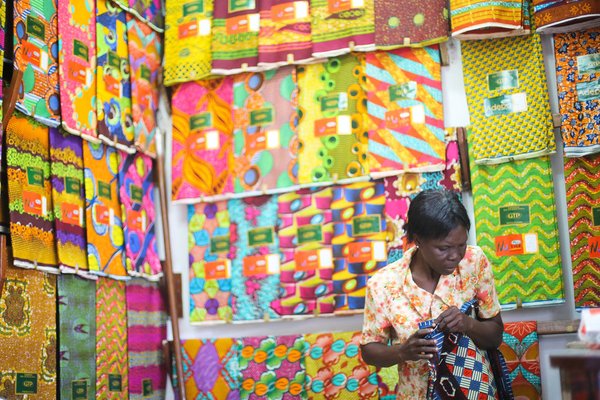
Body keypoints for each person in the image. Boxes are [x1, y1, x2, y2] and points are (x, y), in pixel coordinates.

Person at [360, 189, 503, 399]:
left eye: (461, 244)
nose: (455, 256)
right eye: (443, 248)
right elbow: (369, 351)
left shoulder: (474, 262)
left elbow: (495, 336)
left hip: (473, 392)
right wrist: (402, 352)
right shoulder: (383, 284)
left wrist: (468, 324)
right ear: (418, 240)